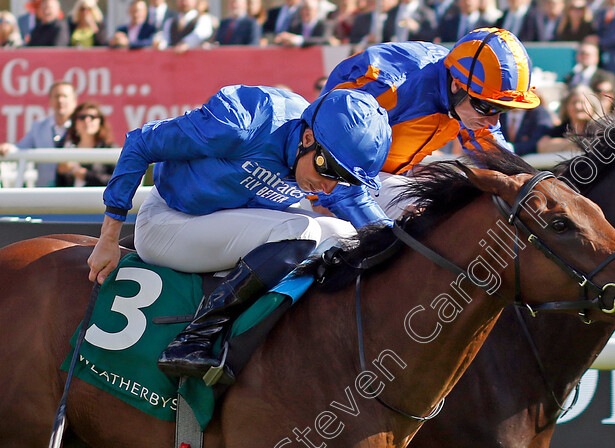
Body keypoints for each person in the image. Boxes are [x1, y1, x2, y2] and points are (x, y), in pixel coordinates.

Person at [87, 86, 392, 382]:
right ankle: (193, 338)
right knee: (302, 229)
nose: (328, 187)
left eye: (344, 179)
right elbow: (140, 142)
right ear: (308, 137)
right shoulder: (243, 120)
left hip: (228, 220)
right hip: (170, 221)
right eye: (329, 170)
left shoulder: (319, 154)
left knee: (343, 233)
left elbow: (374, 225)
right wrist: (109, 238)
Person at [323, 27, 540, 217]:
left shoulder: (465, 86)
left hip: (384, 176)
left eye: (503, 110)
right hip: (331, 174)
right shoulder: (390, 86)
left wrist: (532, 186)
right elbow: (323, 138)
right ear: (456, 85)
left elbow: (491, 149)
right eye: (487, 107)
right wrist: (321, 197)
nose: (492, 120)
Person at [0, 81, 77, 187]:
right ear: (50, 101)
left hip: (75, 192)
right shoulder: (39, 127)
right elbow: (21, 147)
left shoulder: (81, 127)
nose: (60, 100)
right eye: (56, 96)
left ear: (74, 101)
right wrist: (7, 147)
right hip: (46, 192)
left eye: (65, 96)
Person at [55, 102, 115, 187]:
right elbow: (59, 186)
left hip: (99, 199)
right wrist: (62, 172)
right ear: (75, 123)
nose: (87, 121)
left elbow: (118, 182)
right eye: (82, 117)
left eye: (92, 117)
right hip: (71, 199)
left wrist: (86, 176)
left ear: (100, 122)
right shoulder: (67, 148)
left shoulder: (110, 149)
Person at [537, 84, 604, 153]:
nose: (578, 107)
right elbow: (542, 147)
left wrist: (561, 144)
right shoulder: (562, 129)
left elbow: (593, 146)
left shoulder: (599, 129)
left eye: (583, 102)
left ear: (592, 106)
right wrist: (574, 143)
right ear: (566, 107)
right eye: (574, 103)